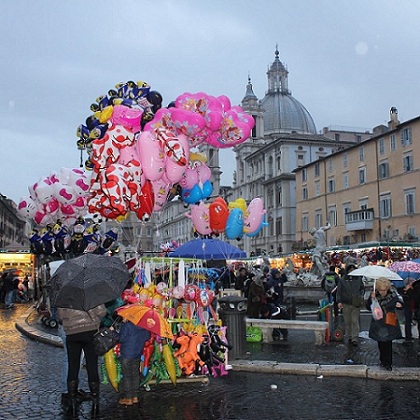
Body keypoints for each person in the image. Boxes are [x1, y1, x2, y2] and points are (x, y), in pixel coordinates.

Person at [57, 304, 107, 418]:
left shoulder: (65, 295)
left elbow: (60, 316)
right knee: (92, 366)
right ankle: (95, 402)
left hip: (72, 334)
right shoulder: (92, 292)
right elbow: (102, 312)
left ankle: (73, 403)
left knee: (72, 367)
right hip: (90, 331)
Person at [366, 277, 403, 371]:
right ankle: (383, 360)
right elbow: (368, 307)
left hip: (389, 321)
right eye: (381, 290)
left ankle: (388, 363)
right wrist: (371, 299)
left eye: (384, 290)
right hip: (378, 322)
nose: (383, 292)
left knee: (388, 342)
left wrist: (399, 304)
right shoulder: (374, 295)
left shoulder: (393, 295)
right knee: (381, 342)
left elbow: (400, 302)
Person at [117, 320, 151, 405]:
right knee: (135, 374)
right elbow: (147, 337)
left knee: (127, 376)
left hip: (127, 354)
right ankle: (135, 396)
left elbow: (121, 338)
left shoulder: (127, 325)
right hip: (137, 353)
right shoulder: (144, 326)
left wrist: (114, 332)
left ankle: (128, 398)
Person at [336, 262, 365, 347]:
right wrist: (339, 301)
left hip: (355, 303)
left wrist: (360, 296)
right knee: (347, 321)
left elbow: (362, 288)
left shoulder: (358, 279)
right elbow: (339, 292)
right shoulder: (343, 280)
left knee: (354, 321)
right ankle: (349, 336)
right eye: (350, 270)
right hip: (346, 303)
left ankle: (354, 338)